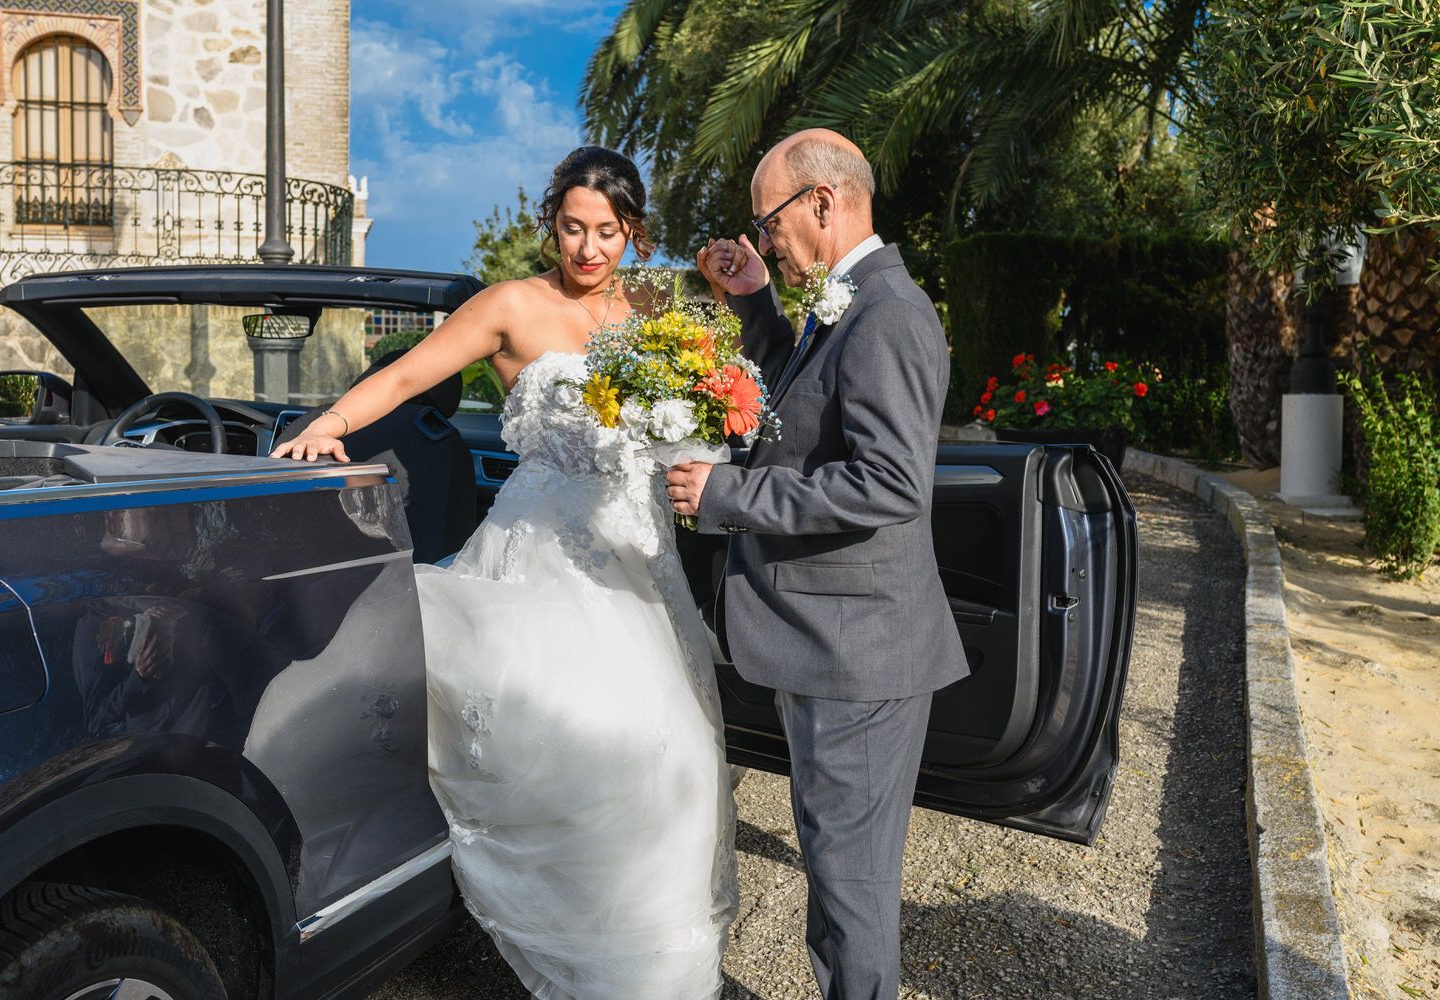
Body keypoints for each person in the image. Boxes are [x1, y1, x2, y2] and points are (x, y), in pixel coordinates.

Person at [271, 146, 737, 998]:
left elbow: (715, 396)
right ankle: (574, 943)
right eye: (572, 228)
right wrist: (328, 422)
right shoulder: (512, 306)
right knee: (583, 738)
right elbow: (409, 374)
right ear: (549, 224)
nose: (588, 249)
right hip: (544, 548)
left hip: (640, 556)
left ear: (634, 232)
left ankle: (652, 966)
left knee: (673, 757)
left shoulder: (659, 308)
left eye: (608, 232)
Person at [668, 129, 967, 1000]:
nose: (765, 241)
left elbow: (888, 484)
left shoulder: (892, 313)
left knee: (852, 892)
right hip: (825, 646)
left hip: (857, 657)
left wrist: (725, 498)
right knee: (837, 873)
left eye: (769, 224)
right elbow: (800, 415)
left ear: (823, 205)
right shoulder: (845, 304)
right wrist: (755, 302)